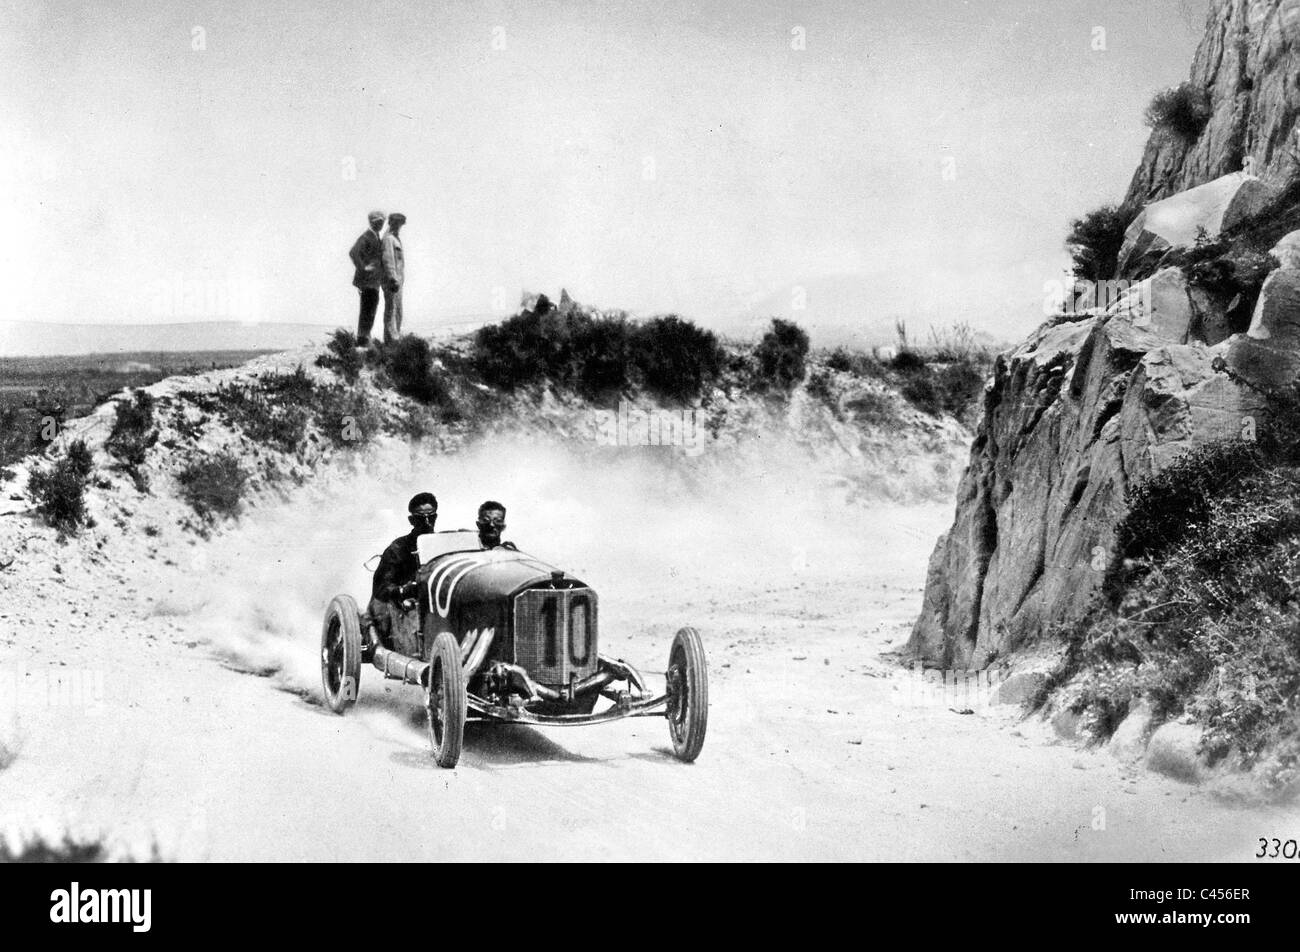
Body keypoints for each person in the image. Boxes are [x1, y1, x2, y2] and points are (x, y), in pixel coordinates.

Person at [368, 492, 437, 649]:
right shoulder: (397, 549)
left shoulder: (443, 546)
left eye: (431, 517)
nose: (427, 523)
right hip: (402, 609)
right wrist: (402, 590)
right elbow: (381, 588)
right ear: (412, 520)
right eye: (421, 518)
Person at [348, 210, 386, 347]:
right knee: (367, 308)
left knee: (372, 307)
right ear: (371, 222)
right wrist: (363, 267)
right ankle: (362, 338)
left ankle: (365, 335)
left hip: (374, 280)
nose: (380, 225)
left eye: (382, 222)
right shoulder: (367, 236)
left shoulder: (376, 236)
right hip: (367, 280)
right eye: (377, 222)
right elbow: (353, 252)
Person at [381, 212, 406, 343]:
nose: (398, 227)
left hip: (398, 281)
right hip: (392, 281)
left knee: (397, 310)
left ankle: (395, 337)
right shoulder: (388, 239)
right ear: (391, 223)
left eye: (400, 225)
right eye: (396, 224)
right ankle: (391, 340)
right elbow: (388, 260)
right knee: (391, 309)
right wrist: (393, 278)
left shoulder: (396, 239)